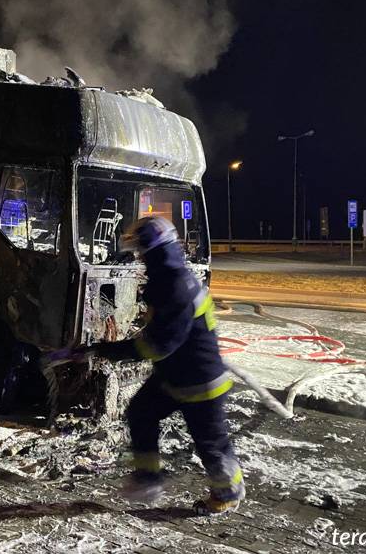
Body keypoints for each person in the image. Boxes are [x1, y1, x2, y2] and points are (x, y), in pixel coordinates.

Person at [51, 216, 244, 515]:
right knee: (141, 412)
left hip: (200, 382)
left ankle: (228, 492)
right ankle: (148, 478)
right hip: (175, 374)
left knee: (210, 444)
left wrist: (106, 351)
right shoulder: (167, 277)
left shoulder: (174, 285)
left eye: (141, 251)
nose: (138, 257)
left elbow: (157, 345)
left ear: (153, 251)